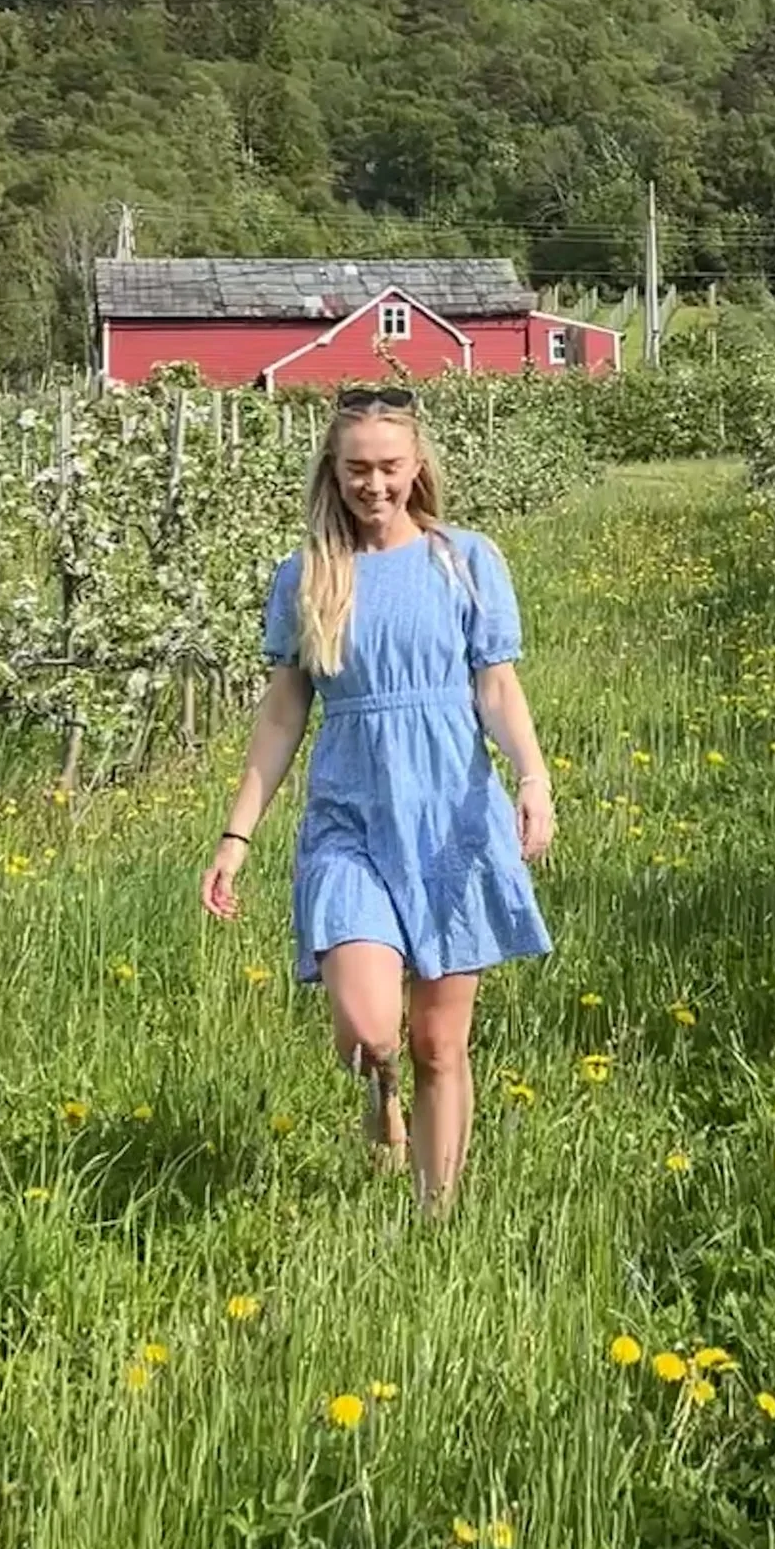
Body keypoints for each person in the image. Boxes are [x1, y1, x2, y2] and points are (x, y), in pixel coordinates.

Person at [200, 386, 555, 1208]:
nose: (374, 484)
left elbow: (496, 687)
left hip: (450, 818)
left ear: (418, 464)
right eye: (357, 467)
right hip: (349, 818)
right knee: (369, 1029)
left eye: (390, 466)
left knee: (439, 1042)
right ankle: (378, 1088)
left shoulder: (464, 559)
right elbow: (284, 711)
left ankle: (436, 1218)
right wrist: (236, 836)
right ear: (332, 469)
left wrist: (532, 779)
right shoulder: (308, 575)